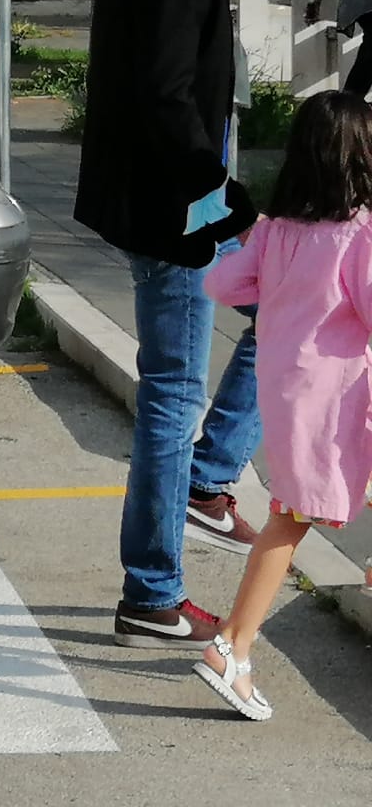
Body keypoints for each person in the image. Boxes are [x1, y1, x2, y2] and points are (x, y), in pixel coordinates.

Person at [74, 0, 308, 647]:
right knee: (172, 396)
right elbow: (164, 98)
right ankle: (151, 593)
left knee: (287, 307)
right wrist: (230, 202)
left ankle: (208, 482)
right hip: (173, 211)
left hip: (172, 200)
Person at [195, 91, 372, 720]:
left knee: (296, 510)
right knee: (293, 517)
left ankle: (234, 645)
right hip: (337, 394)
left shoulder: (275, 230)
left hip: (286, 387)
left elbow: (222, 282)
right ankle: (231, 644)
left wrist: (276, 287)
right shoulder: (358, 233)